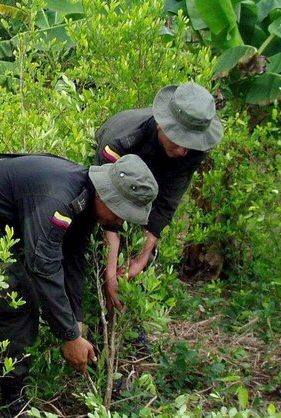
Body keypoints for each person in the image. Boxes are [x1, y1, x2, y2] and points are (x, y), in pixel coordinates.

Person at [0, 153, 158, 415]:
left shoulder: (85, 198)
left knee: (28, 286)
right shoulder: (60, 200)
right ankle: (11, 400)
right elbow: (43, 267)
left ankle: (8, 372)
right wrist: (69, 336)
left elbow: (72, 260)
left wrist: (75, 319)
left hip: (5, 220)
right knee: (18, 295)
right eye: (120, 213)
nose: (120, 222)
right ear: (105, 195)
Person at [93, 82, 223, 311]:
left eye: (190, 146)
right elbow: (108, 210)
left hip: (149, 185)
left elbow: (165, 204)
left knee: (143, 259)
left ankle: (130, 321)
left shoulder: (194, 149)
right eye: (179, 141)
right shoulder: (120, 141)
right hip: (108, 182)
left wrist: (140, 259)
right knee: (97, 249)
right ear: (163, 126)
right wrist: (110, 273)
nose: (184, 152)